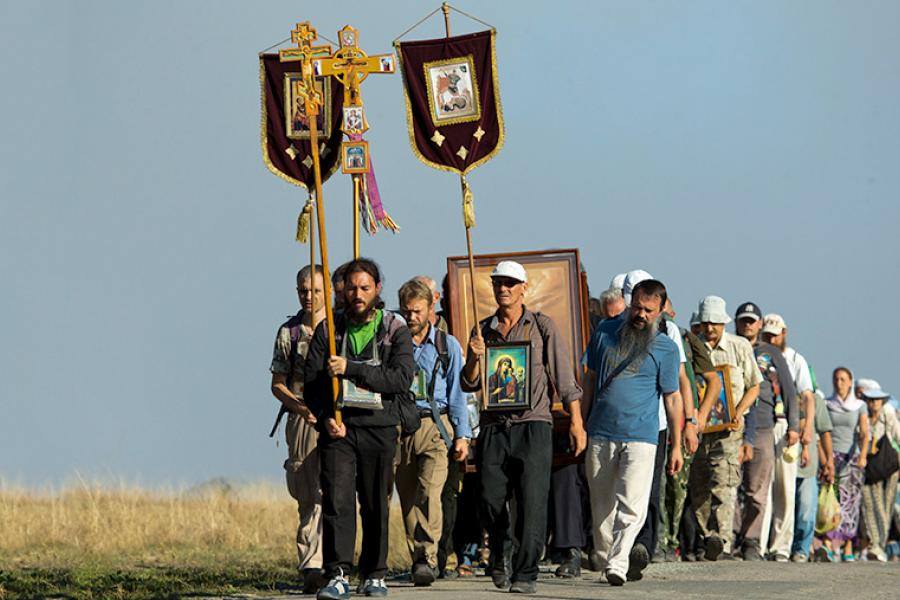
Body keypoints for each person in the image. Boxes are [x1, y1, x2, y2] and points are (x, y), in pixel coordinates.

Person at [461, 260, 586, 595]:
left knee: (532, 501)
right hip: (493, 425)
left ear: (523, 288)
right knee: (489, 497)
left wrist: (576, 421)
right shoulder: (482, 330)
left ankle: (526, 572)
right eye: (498, 283)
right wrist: (475, 357)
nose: (504, 288)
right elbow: (468, 383)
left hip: (534, 425)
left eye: (510, 283)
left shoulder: (542, 326)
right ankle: (500, 552)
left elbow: (564, 377)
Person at [305, 258, 416, 600]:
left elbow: (400, 378)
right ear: (342, 290)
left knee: (375, 503)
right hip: (339, 428)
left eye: (364, 287)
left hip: (379, 426)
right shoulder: (329, 330)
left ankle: (375, 573)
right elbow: (311, 382)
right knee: (338, 501)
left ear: (377, 289)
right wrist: (325, 416)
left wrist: (351, 368)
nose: (357, 294)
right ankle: (337, 573)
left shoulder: (394, 327)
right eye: (352, 287)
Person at [582, 278, 684, 586]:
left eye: (649, 310)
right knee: (601, 505)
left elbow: (673, 397)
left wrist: (677, 444)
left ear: (661, 311)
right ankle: (604, 553)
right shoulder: (604, 332)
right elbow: (590, 379)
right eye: (637, 307)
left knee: (632, 503)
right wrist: (580, 423)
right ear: (630, 303)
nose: (641, 314)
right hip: (600, 432)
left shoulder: (666, 348)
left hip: (642, 436)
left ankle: (618, 562)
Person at [620, 271, 696, 579]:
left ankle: (643, 548)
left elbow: (680, 382)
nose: (640, 312)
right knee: (618, 489)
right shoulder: (613, 330)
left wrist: (687, 425)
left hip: (657, 424)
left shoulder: (670, 332)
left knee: (649, 489)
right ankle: (617, 547)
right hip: (619, 422)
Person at [395, 278, 471, 586]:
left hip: (435, 425)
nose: (411, 317)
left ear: (430, 309)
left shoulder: (446, 344)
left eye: (416, 311)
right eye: (406, 311)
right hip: (401, 424)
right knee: (408, 494)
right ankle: (417, 557)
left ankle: (426, 556)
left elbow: (457, 393)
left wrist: (462, 434)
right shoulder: (392, 343)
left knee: (430, 491)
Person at [689, 295, 761, 561]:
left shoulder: (739, 346)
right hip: (699, 429)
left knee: (724, 483)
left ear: (724, 323)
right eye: (706, 322)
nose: (710, 328)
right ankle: (706, 538)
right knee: (699, 484)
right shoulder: (693, 347)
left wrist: (739, 411)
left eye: (715, 323)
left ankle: (723, 540)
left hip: (729, 429)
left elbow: (755, 385)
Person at [269, 265, 327, 593]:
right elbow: (277, 384)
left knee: (335, 489)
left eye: (316, 291)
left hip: (338, 415)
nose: (309, 296)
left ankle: (337, 560)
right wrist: (301, 407)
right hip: (302, 416)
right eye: (303, 291)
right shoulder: (288, 332)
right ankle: (311, 562)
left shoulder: (339, 327)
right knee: (307, 488)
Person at [732, 302, 798, 561]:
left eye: (752, 320)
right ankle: (730, 536)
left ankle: (751, 540)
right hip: (732, 427)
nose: (747, 325)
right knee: (729, 486)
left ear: (759, 324)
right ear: (736, 323)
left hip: (763, 428)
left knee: (757, 491)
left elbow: (790, 390)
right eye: (743, 320)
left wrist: (794, 426)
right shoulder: (730, 347)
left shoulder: (771, 352)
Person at [758, 313, 815, 561]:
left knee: (785, 487)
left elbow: (806, 396)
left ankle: (781, 545)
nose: (771, 339)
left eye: (775, 335)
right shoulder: (758, 356)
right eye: (767, 335)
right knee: (761, 488)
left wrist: (806, 427)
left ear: (784, 333)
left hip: (785, 427)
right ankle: (758, 544)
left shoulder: (795, 359)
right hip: (762, 425)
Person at [821, 367, 870, 562]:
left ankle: (848, 544)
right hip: (831, 456)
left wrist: (863, 454)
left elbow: (864, 432)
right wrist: (826, 459)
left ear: (850, 382)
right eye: (836, 379)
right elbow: (823, 432)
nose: (839, 383)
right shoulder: (827, 404)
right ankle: (828, 544)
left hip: (852, 458)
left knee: (850, 503)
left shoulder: (859, 406)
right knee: (830, 501)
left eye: (843, 379)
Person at [859, 383, 900, 562]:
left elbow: (898, 435)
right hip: (872, 467)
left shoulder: (888, 413)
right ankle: (876, 543)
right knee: (871, 505)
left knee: (887, 504)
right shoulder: (864, 416)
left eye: (877, 399)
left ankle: (880, 545)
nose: (874, 403)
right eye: (870, 399)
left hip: (890, 465)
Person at [792, 389, 834, 562]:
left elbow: (824, 433)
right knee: (787, 509)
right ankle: (787, 547)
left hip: (808, 466)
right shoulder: (781, 395)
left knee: (806, 509)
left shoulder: (816, 399)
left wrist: (829, 462)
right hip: (784, 462)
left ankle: (802, 548)